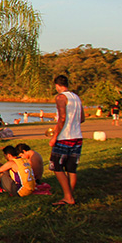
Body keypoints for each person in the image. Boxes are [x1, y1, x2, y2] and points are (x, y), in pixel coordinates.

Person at [49, 75, 84, 206]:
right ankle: (69, 195)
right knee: (71, 168)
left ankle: (68, 197)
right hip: (77, 136)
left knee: (56, 166)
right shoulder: (76, 98)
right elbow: (82, 118)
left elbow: (62, 118)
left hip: (65, 137)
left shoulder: (60, 97)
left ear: (57, 85)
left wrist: (54, 136)